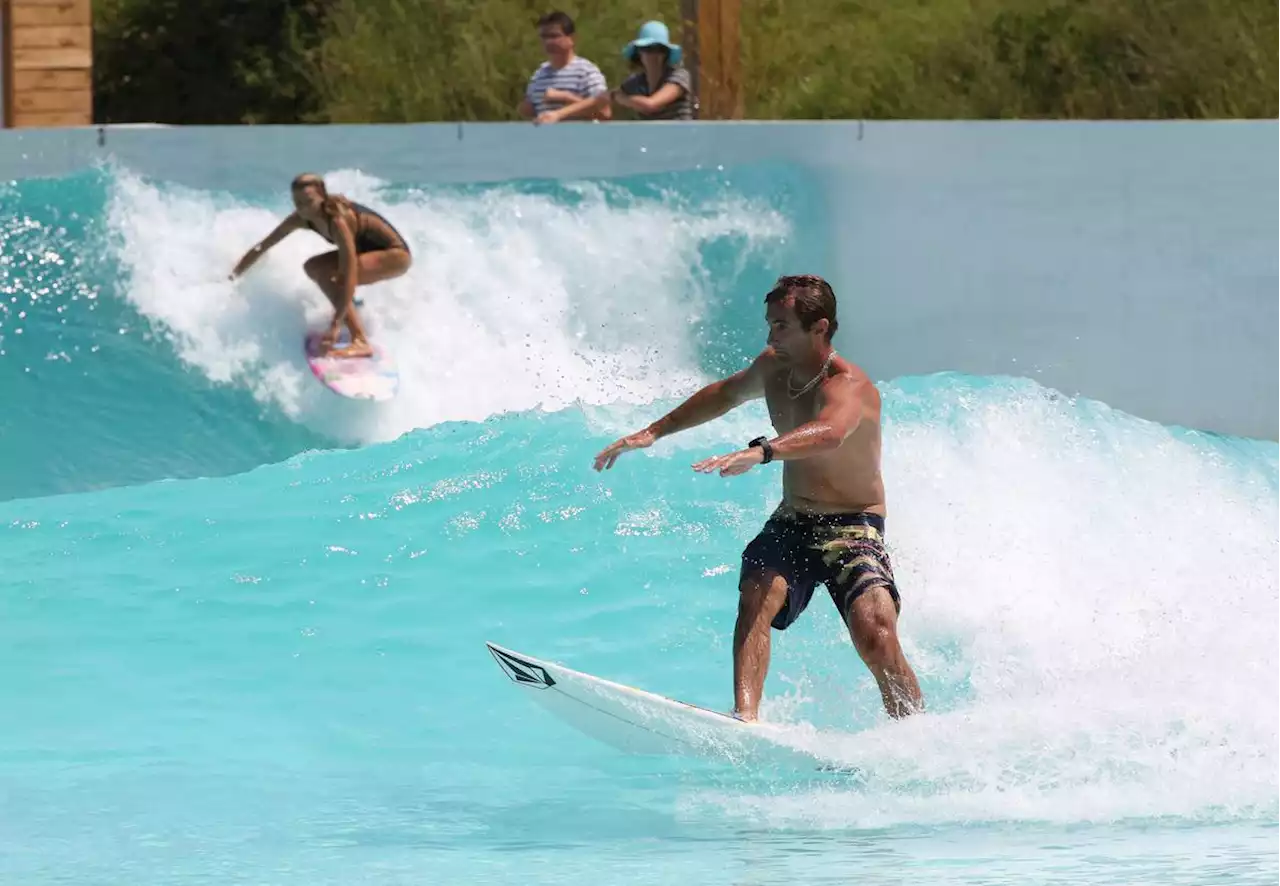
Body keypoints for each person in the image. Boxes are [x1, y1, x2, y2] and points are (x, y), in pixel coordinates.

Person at [593, 275, 925, 722]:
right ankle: (745, 720)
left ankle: (912, 729)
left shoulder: (849, 386)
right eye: (770, 324)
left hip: (853, 523)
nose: (770, 336)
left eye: (782, 326)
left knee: (875, 635)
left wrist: (763, 450)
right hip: (795, 517)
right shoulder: (774, 366)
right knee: (756, 594)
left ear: (819, 328)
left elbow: (830, 433)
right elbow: (724, 395)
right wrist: (653, 432)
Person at [230, 173, 411, 359]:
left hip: (394, 255)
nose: (302, 208)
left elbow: (349, 272)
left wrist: (334, 325)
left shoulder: (339, 221)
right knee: (313, 267)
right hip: (366, 253)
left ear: (322, 197)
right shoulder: (300, 218)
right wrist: (234, 276)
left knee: (337, 275)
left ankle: (360, 340)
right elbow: (263, 245)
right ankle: (351, 310)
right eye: (297, 202)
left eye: (308, 201)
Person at [518, 11, 611, 125]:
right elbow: (529, 110)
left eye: (554, 36)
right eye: (544, 37)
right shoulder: (539, 74)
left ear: (572, 38)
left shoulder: (586, 71)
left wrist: (567, 98)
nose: (548, 42)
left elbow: (605, 113)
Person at [611, 20, 696, 120]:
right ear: (639, 53)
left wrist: (621, 98)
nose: (653, 55)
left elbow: (651, 105)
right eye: (647, 49)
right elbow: (607, 97)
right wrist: (613, 96)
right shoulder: (635, 82)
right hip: (649, 135)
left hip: (682, 135)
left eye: (659, 49)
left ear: (666, 53)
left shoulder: (680, 76)